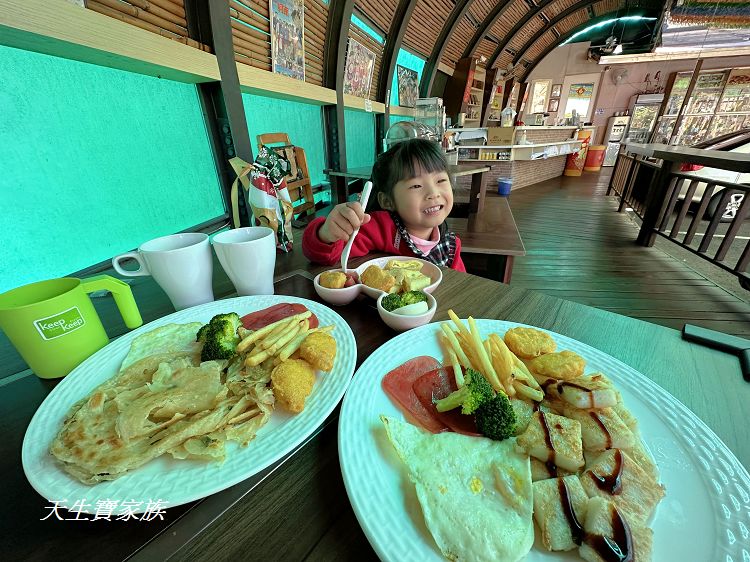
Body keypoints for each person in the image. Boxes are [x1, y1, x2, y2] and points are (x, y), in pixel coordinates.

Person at [302, 138, 465, 271]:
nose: (433, 193)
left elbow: (462, 289)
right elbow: (326, 254)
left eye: (441, 180)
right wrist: (326, 234)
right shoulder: (380, 228)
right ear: (388, 201)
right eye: (416, 186)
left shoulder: (450, 246)